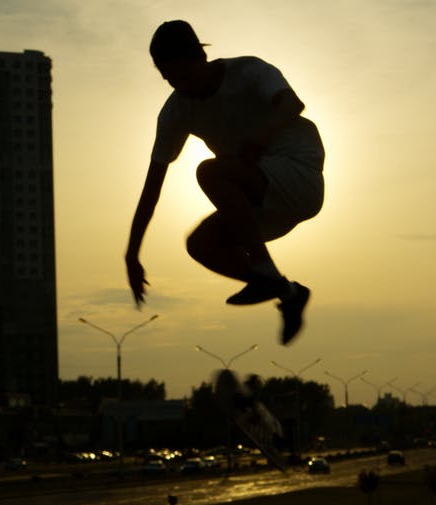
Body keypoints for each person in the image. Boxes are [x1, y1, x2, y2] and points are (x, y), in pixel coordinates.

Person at [125, 20, 325, 344]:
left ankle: (263, 269)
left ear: (200, 57)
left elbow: (292, 104)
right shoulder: (176, 111)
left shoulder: (248, 72)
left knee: (209, 172)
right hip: (260, 202)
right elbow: (152, 186)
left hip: (297, 175)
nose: (182, 88)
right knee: (200, 244)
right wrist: (131, 254)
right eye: (170, 81)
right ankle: (287, 292)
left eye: (185, 76)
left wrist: (260, 139)